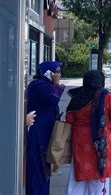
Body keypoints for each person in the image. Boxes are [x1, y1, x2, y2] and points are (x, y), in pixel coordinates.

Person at [65, 70, 111, 195]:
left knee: (78, 178)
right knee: (99, 181)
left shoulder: (77, 96)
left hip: (80, 142)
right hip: (101, 143)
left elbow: (69, 118)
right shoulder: (106, 96)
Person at [25, 61, 65, 195]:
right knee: (38, 173)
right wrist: (57, 84)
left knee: (44, 173)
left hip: (45, 135)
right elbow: (53, 99)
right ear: (48, 73)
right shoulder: (39, 85)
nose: (59, 75)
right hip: (38, 137)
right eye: (56, 72)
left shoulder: (44, 85)